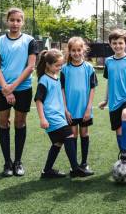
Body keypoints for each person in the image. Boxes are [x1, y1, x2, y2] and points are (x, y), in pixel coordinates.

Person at [0, 7, 38, 177]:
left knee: (20, 123)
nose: (15, 23)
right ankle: (7, 163)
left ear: (22, 22)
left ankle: (18, 162)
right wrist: (5, 88)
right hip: (1, 90)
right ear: (7, 21)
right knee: (3, 123)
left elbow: (30, 66)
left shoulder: (30, 41)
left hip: (23, 89)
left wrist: (12, 87)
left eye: (19, 20)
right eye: (12, 20)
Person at [34, 49, 93, 178]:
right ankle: (75, 168)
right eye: (57, 65)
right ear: (48, 65)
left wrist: (65, 111)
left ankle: (47, 171)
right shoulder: (44, 80)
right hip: (52, 117)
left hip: (59, 115)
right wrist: (42, 118)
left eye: (61, 65)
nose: (60, 67)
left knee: (58, 143)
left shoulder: (56, 77)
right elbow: (38, 100)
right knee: (69, 136)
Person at [98, 29, 126, 162]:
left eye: (120, 43)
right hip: (114, 101)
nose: (118, 46)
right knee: (118, 130)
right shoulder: (108, 62)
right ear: (110, 44)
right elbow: (109, 82)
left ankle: (124, 150)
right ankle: (123, 155)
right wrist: (105, 100)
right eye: (114, 43)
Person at [61, 37, 97, 174]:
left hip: (84, 109)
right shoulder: (64, 69)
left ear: (83, 50)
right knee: (73, 135)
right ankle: (74, 164)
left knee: (84, 133)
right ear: (69, 52)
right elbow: (62, 90)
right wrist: (65, 109)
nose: (76, 53)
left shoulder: (89, 67)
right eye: (73, 50)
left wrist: (88, 108)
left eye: (79, 50)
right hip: (70, 110)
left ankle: (84, 162)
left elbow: (93, 88)